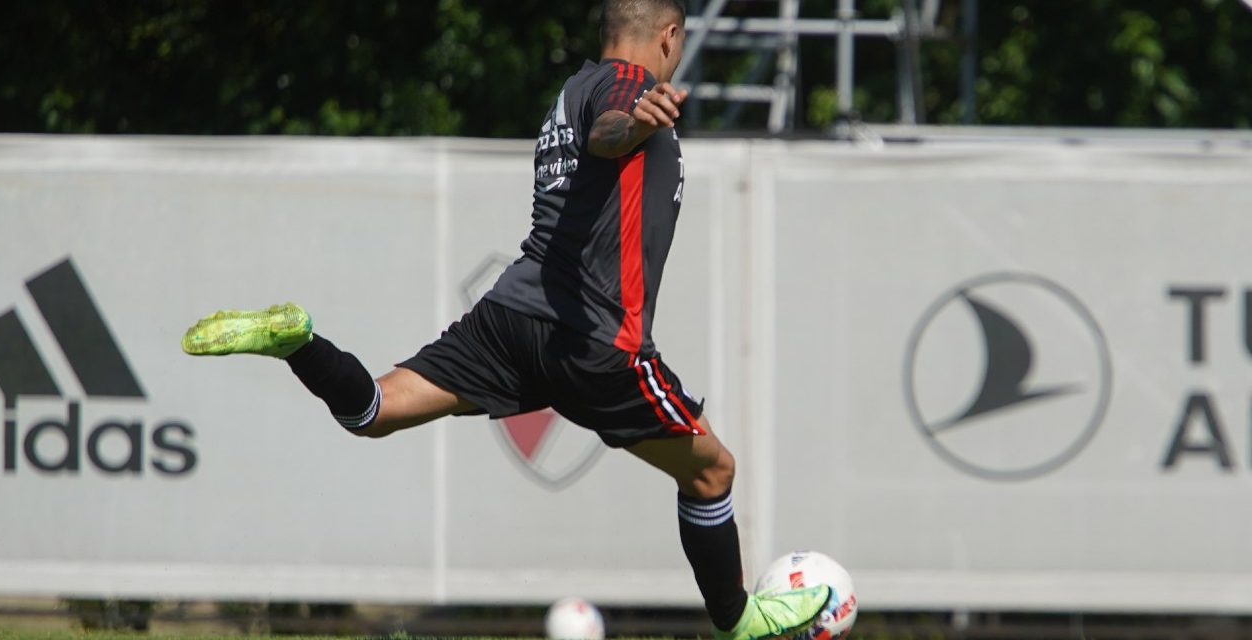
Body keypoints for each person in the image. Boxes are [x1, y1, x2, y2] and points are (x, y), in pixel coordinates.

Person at [181, 1, 830, 637]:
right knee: (713, 470)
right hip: (592, 335)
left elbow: (599, 138)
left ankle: (299, 341)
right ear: (669, 36)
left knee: (374, 410)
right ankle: (740, 624)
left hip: (513, 316)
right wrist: (635, 123)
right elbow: (611, 132)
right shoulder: (626, 85)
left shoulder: (569, 90)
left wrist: (628, 126)